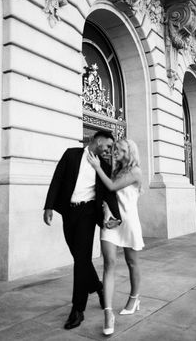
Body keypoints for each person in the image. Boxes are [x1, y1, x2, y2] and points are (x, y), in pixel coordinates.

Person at [43, 131, 121, 330]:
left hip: (88, 213)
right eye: (108, 145)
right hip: (68, 212)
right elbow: (57, 179)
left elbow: (109, 191)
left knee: (81, 260)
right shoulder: (71, 154)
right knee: (80, 258)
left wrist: (116, 216)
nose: (108, 150)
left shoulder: (103, 166)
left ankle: (78, 309)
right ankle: (99, 288)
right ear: (98, 140)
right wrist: (48, 206)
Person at [88, 138, 144, 336]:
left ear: (129, 151)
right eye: (114, 149)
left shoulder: (135, 171)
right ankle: (108, 313)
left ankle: (135, 297)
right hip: (111, 222)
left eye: (118, 149)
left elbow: (112, 187)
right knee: (109, 264)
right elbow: (107, 193)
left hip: (129, 222)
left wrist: (97, 167)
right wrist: (104, 207)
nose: (114, 152)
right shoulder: (115, 169)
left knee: (131, 263)